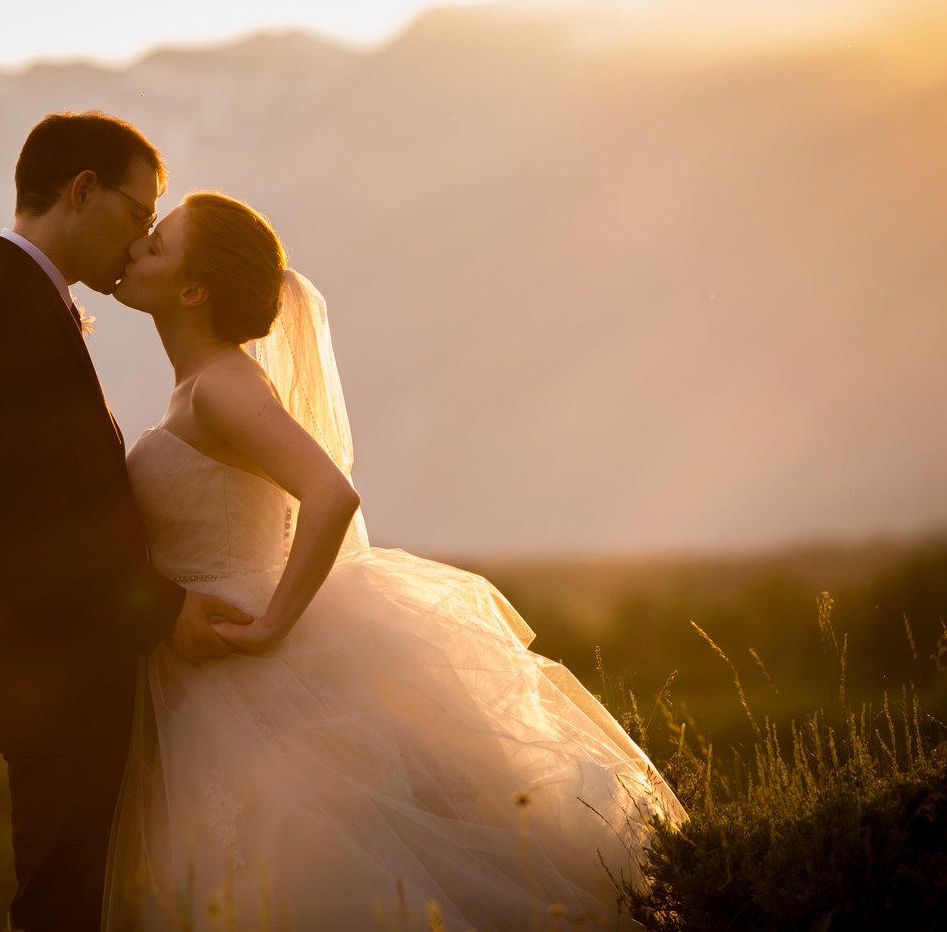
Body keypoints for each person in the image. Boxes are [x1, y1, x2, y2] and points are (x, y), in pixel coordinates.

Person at [105, 191, 687, 929]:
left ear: (193, 291)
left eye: (156, 244)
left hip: (239, 666)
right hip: (200, 667)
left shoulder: (221, 385)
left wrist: (274, 622)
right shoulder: (202, 385)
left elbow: (330, 493)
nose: (136, 248)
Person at [0, 112, 253, 932]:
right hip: (53, 676)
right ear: (81, 191)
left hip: (58, 669)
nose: (141, 239)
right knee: (63, 906)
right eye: (139, 213)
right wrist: (164, 608)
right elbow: (28, 520)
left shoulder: (14, 298)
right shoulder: (5, 309)